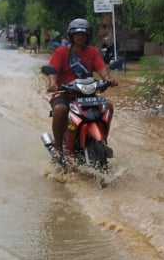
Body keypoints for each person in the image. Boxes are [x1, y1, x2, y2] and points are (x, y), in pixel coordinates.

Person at [46, 18, 118, 161]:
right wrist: (53, 84)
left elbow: (101, 68)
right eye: (77, 34)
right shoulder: (61, 52)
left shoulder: (93, 52)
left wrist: (107, 79)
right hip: (65, 93)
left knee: (108, 106)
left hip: (87, 93)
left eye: (83, 34)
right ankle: (59, 150)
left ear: (88, 36)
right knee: (60, 109)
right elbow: (52, 70)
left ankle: (103, 141)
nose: (80, 37)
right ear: (71, 36)